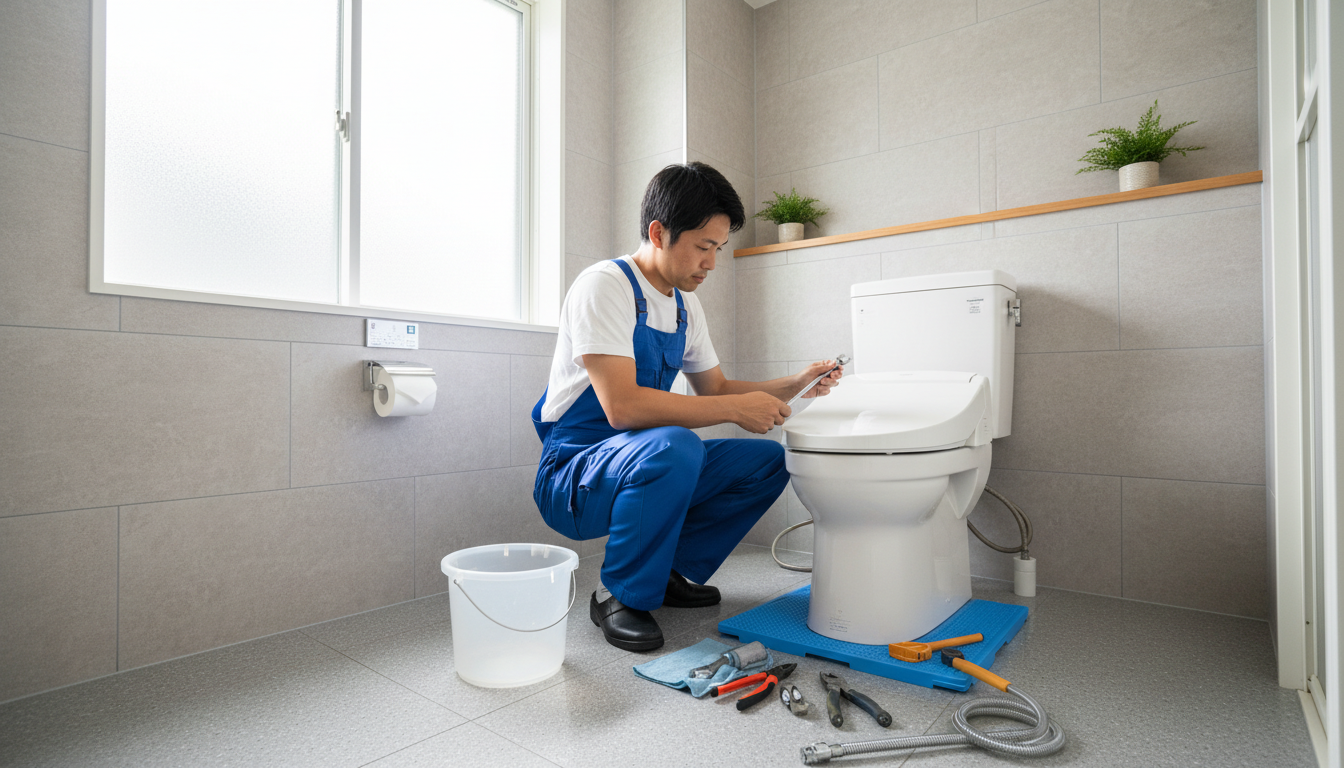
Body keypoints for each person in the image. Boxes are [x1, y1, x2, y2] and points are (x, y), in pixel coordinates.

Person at [530, 162, 843, 651]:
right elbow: (622, 409)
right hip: (574, 472)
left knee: (768, 461)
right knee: (675, 446)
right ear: (659, 232)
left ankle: (668, 573)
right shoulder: (604, 286)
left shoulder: (682, 305)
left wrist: (797, 383)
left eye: (718, 249)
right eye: (703, 247)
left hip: (644, 456)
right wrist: (738, 411)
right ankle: (618, 593)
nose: (712, 263)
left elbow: (715, 387)